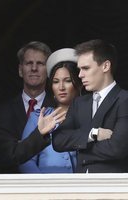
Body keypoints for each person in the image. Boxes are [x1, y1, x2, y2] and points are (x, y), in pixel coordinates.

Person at [37, 39, 128, 173]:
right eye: (79, 69)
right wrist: (93, 134)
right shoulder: (79, 103)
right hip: (80, 187)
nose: (80, 75)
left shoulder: (124, 99)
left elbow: (117, 149)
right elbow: (58, 141)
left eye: (86, 68)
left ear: (105, 66)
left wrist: (80, 149)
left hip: (111, 187)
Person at [0, 41, 62, 173]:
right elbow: (2, 155)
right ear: (20, 70)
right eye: (29, 63)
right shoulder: (2, 111)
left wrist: (20, 144)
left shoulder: (58, 107)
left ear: (48, 70)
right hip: (10, 184)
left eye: (40, 63)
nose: (34, 68)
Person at [19, 48, 82, 173]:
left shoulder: (88, 116)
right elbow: (25, 160)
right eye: (55, 82)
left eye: (68, 81)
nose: (61, 87)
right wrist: (43, 187)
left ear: (79, 84)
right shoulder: (37, 117)